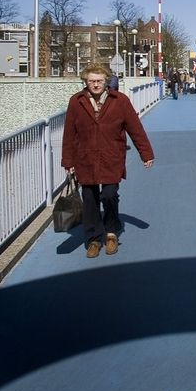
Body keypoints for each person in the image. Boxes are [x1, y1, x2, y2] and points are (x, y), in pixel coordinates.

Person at [61, 63, 155, 258]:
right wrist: (67, 161)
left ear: (106, 82)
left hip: (111, 155)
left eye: (99, 81)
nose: (95, 84)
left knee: (110, 195)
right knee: (90, 198)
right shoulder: (76, 102)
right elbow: (69, 134)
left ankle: (111, 232)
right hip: (85, 158)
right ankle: (93, 239)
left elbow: (135, 128)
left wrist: (146, 154)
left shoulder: (120, 101)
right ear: (85, 82)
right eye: (91, 81)